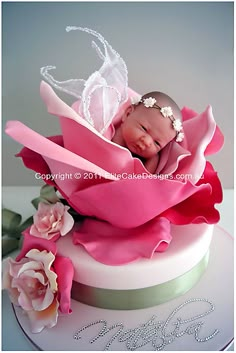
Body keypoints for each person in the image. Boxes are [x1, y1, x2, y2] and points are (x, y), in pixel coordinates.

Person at [112, 91, 184, 173]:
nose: (147, 142)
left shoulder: (152, 158)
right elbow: (113, 155)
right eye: (144, 128)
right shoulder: (119, 134)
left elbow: (146, 178)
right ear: (128, 114)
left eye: (157, 143)